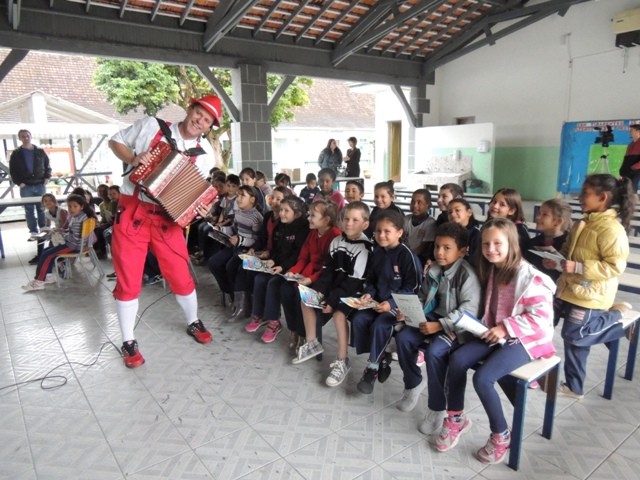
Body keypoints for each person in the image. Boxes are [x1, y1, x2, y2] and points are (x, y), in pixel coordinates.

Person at [108, 94, 223, 368]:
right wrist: (133, 158)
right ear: (189, 109)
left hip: (167, 220)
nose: (200, 121)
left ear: (209, 127)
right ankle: (128, 341)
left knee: (181, 275)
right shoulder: (151, 126)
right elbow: (115, 141)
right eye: (199, 114)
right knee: (129, 279)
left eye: (207, 120)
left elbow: (194, 193)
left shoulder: (205, 153)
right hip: (133, 211)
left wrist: (200, 208)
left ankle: (193, 321)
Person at [434, 218, 556, 466]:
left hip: (526, 339)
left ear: (512, 243)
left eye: (497, 243)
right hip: (495, 332)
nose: (491, 249)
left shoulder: (530, 277)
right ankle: (456, 418)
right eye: (486, 244)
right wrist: (487, 328)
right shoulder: (494, 269)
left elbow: (540, 320)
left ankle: (501, 435)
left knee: (483, 378)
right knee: (457, 358)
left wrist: (505, 328)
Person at [547, 174, 635, 399]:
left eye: (585, 193)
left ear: (602, 197)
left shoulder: (611, 229)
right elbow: (568, 250)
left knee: (575, 335)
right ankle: (574, 387)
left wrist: (577, 267)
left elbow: (615, 267)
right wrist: (556, 261)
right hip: (569, 287)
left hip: (590, 293)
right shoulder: (583, 222)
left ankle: (616, 317)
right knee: (568, 336)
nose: (580, 197)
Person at [394, 223, 481, 430]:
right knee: (403, 338)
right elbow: (423, 296)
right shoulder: (434, 269)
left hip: (456, 326)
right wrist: (410, 311)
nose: (439, 252)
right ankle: (413, 383)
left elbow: (468, 310)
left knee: (435, 352)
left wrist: (440, 325)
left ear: (462, 251)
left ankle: (437, 408)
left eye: (447, 248)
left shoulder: (466, 275)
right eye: (437, 246)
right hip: (433, 316)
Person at [294, 202, 372, 388]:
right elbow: (328, 271)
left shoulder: (364, 248)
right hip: (336, 289)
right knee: (307, 298)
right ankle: (312, 342)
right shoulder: (337, 241)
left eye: (355, 220)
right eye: (346, 219)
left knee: (338, 314)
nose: (349, 223)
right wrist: (319, 290)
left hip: (356, 293)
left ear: (365, 224)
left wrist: (331, 300)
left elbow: (353, 283)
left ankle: (342, 360)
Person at [351, 209, 422, 394]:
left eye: (387, 231)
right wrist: (368, 294)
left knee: (380, 325)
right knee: (358, 319)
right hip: (378, 302)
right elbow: (372, 280)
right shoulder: (377, 253)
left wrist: (391, 303)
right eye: (378, 231)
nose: (381, 235)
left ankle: (372, 368)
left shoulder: (407, 256)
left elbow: (414, 288)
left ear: (399, 232)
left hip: (398, 307)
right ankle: (382, 358)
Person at [243, 196, 310, 343]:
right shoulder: (281, 225)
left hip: (294, 269)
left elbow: (298, 255)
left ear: (297, 214)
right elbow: (277, 249)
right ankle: (259, 315)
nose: (282, 213)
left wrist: (282, 266)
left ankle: (274, 322)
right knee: (259, 278)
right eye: (281, 210)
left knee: (273, 283)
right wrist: (272, 260)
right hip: (279, 265)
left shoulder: (303, 229)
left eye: (286, 211)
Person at [283, 200, 341, 354]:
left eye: (313, 215)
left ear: (326, 220)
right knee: (285, 289)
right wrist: (293, 271)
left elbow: (328, 268)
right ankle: (294, 329)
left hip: (322, 279)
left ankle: (304, 335)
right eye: (309, 214)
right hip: (307, 273)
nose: (308, 218)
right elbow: (303, 257)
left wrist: (310, 279)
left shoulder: (335, 236)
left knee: (300, 295)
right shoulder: (313, 233)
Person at [22, 194, 96, 291]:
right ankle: (48, 276)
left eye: (75, 206)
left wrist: (62, 235)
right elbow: (72, 232)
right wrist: (62, 231)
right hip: (74, 244)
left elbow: (74, 238)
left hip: (73, 245)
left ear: (81, 207)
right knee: (46, 251)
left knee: (47, 255)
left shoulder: (78, 219)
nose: (71, 209)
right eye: (69, 206)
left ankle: (39, 281)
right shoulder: (80, 216)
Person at [9, 129, 52, 249]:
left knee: (42, 208)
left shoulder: (40, 151)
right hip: (26, 186)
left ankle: (43, 229)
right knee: (29, 210)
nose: (26, 138)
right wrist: (19, 182)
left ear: (31, 136)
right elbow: (12, 170)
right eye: (23, 136)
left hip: (40, 184)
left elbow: (47, 165)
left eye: (27, 135)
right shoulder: (16, 153)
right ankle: (33, 231)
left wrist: (47, 177)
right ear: (20, 138)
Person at [524, 199, 572, 282]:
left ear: (558, 221)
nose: (537, 217)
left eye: (544, 214)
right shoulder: (532, 243)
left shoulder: (570, 245)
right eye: (539, 213)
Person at [487, 187, 529, 254]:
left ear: (511, 211)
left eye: (502, 205)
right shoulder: (489, 225)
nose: (495, 206)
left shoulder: (519, 231)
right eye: (494, 201)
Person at [404, 189, 436, 264]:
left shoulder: (430, 223)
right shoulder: (406, 219)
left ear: (429, 205)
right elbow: (401, 239)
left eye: (419, 202)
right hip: (405, 254)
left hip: (419, 258)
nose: (415, 205)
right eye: (412, 202)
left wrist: (408, 256)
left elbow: (422, 248)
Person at [619, 124, 640, 192]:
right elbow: (626, 158)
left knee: (632, 189)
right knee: (624, 189)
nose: (630, 132)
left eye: (631, 130)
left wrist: (634, 167)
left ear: (638, 131)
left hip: (635, 172)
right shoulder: (630, 145)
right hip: (627, 172)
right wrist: (622, 170)